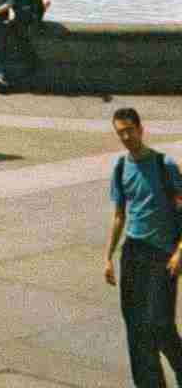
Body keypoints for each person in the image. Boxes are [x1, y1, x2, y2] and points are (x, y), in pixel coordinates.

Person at [105, 107, 182, 388]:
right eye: (120, 132)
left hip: (163, 255)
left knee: (161, 325)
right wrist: (108, 257)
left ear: (141, 129)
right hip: (133, 253)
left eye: (129, 130)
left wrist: (179, 253)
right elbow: (118, 215)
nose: (125, 136)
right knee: (136, 327)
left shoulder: (166, 166)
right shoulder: (120, 167)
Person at [8, 0, 51, 82]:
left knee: (20, 29)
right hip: (19, 9)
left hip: (32, 10)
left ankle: (32, 63)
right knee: (16, 29)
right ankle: (31, 62)